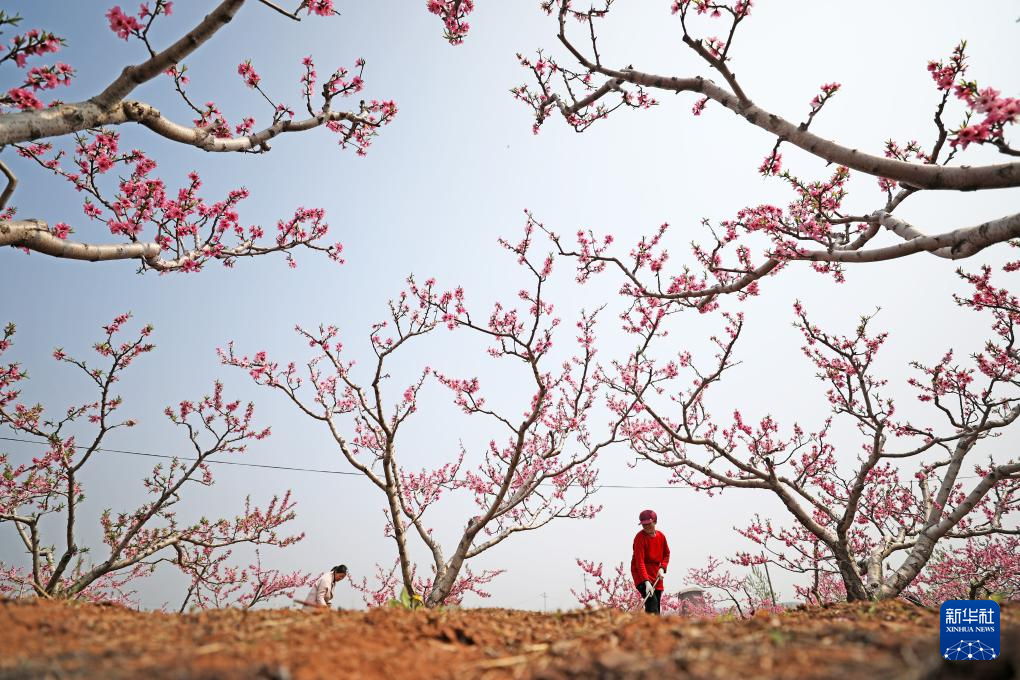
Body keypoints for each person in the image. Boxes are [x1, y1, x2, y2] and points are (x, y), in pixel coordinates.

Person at [631, 509, 669, 614]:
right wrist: (646, 582)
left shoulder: (661, 536)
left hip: (656, 573)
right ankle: (650, 628)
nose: (646, 527)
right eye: (644, 525)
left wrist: (662, 568)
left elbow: (666, 554)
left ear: (655, 522)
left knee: (656, 606)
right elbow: (640, 562)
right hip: (641, 574)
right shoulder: (639, 538)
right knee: (652, 605)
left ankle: (653, 628)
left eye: (649, 524)